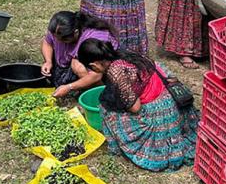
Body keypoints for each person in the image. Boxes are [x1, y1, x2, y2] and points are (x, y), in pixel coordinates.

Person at [77, 39, 199, 172]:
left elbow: (135, 108)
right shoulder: (123, 53)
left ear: (94, 65)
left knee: (107, 110)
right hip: (172, 99)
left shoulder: (116, 71)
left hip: (160, 112)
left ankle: (123, 148)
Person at [41, 11, 119, 98]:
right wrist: (48, 61)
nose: (58, 41)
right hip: (67, 66)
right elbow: (47, 42)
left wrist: (69, 87)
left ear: (76, 32)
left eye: (64, 40)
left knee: (77, 65)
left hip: (98, 71)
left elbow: (96, 74)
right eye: (55, 38)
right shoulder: (58, 32)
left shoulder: (92, 40)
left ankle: (101, 95)